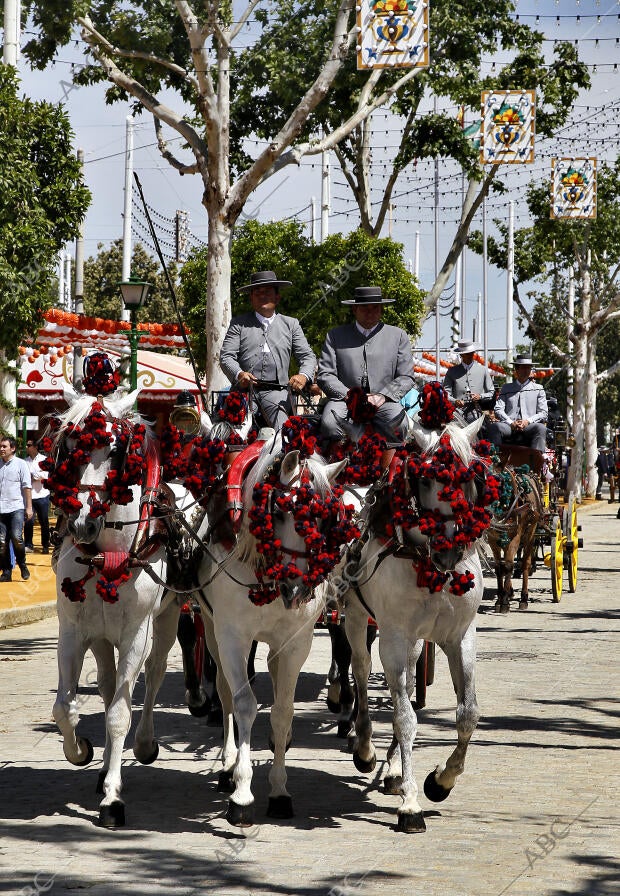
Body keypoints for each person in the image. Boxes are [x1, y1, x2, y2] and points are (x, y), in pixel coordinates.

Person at [220, 270, 317, 430]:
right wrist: (239, 374)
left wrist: (303, 375)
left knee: (284, 434)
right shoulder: (238, 324)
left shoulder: (291, 324)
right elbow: (226, 357)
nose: (262, 295)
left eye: (268, 292)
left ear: (277, 297)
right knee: (227, 436)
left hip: (277, 393)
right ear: (251, 298)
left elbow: (307, 356)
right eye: (257, 292)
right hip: (243, 394)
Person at [317, 285, 415, 442]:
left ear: (382, 309)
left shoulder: (398, 336)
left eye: (375, 307)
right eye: (364, 308)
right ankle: (339, 463)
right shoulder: (335, 335)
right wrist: (349, 396)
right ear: (354, 309)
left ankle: (389, 465)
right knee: (330, 423)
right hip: (344, 401)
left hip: (384, 401)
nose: (370, 312)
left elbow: (406, 376)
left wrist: (382, 396)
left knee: (400, 423)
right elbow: (325, 374)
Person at [487, 354, 548, 453]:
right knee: (495, 427)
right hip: (509, 426)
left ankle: (537, 462)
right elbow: (498, 409)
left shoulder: (538, 388)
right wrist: (511, 423)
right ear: (517, 369)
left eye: (529, 368)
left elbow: (543, 413)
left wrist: (527, 421)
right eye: (523, 368)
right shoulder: (507, 388)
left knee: (541, 428)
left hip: (529, 426)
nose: (526, 371)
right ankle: (496, 460)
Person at [0, 436, 33, 582]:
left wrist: (29, 507)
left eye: (4, 446)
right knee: (2, 542)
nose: (1, 449)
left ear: (12, 448)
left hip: (16, 508)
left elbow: (27, 487)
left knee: (17, 538)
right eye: (1, 446)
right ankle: (6, 571)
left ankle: (23, 565)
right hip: (1, 509)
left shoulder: (21, 464)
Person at [442, 340, 495, 422]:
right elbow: (445, 394)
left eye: (472, 353)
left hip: (477, 411)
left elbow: (491, 392)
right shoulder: (452, 371)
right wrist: (455, 401)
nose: (470, 355)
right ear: (461, 354)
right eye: (467, 353)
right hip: (457, 412)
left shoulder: (483, 370)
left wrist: (480, 396)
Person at [24, 437, 50, 554]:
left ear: (35, 447)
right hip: (29, 497)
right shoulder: (24, 462)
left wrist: (33, 476)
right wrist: (36, 476)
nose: (26, 447)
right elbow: (24, 478)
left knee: (44, 521)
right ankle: (28, 544)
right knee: (29, 521)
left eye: (29, 445)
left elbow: (45, 476)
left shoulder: (44, 460)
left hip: (43, 495)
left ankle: (45, 544)